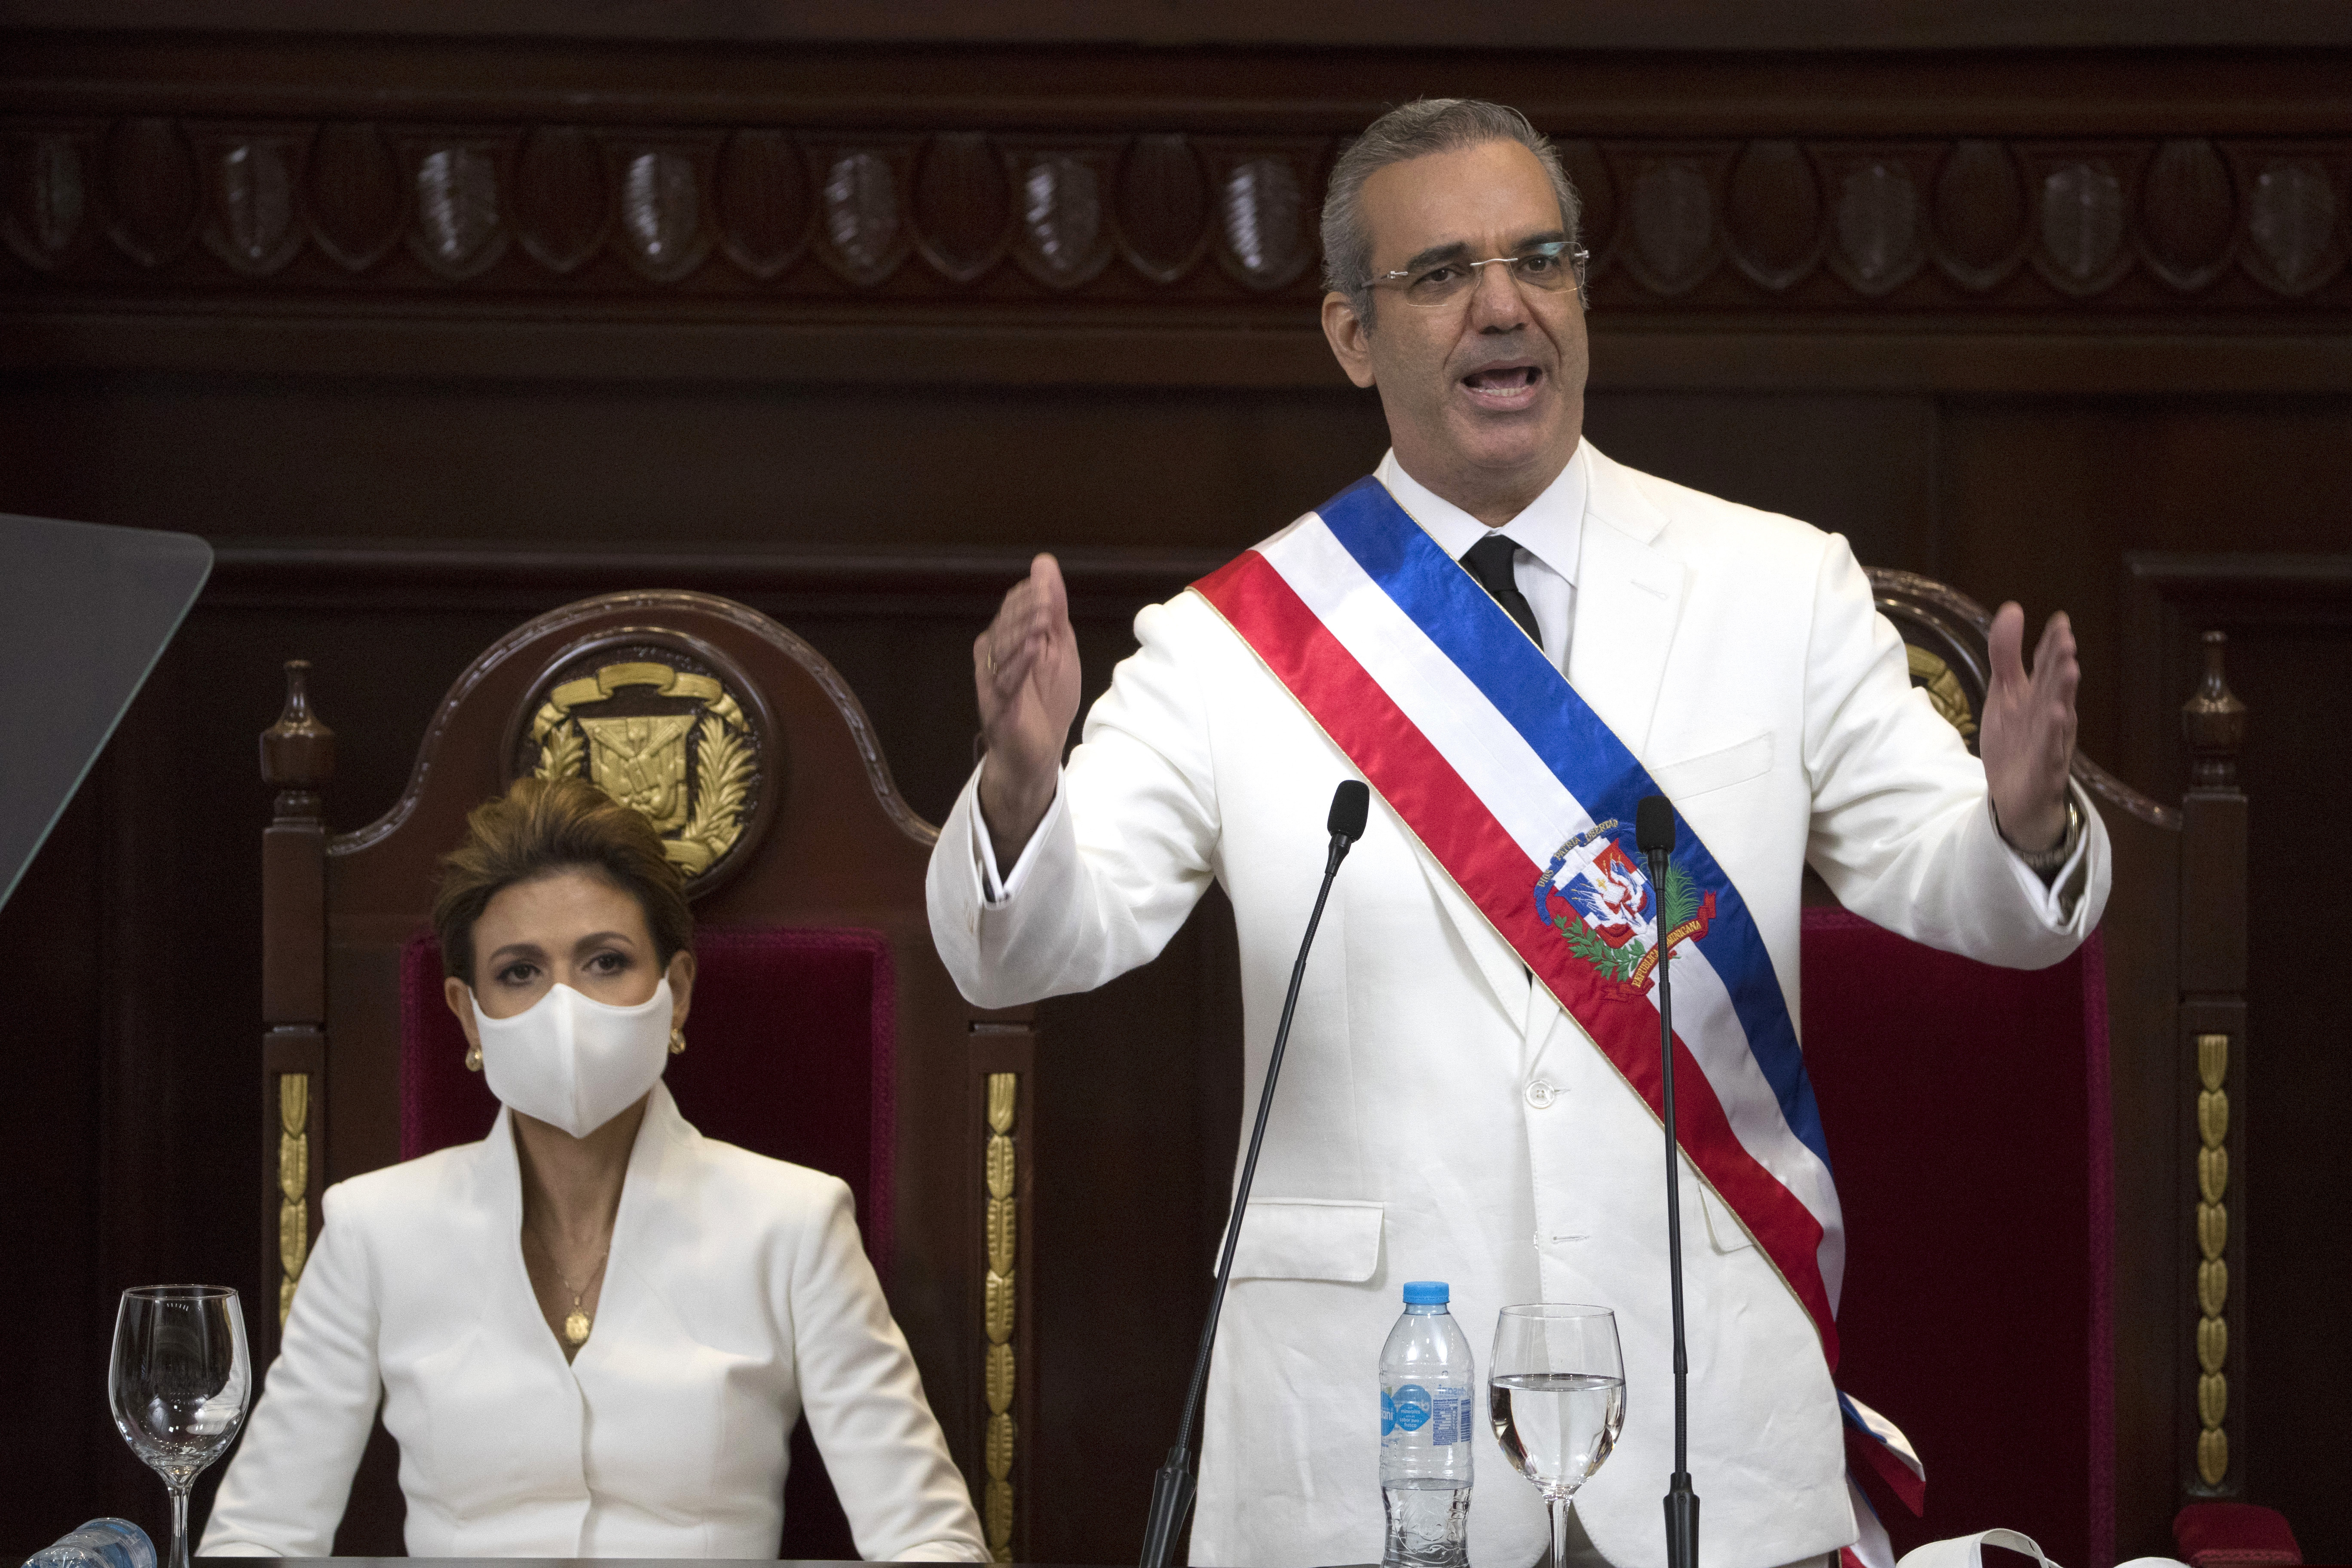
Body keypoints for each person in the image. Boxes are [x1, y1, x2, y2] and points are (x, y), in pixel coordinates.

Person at [927, 99, 2109, 1568]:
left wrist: (2023, 819)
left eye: (1539, 259)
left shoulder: (1776, 585)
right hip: (1364, 1426)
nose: (1504, 304)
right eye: (1442, 275)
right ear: (1353, 334)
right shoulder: (1235, 641)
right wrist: (1024, 795)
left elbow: (1969, 892)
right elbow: (1036, 938)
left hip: (1704, 1416)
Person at [205, 776, 987, 1561]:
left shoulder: (796, 1225)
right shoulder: (373, 1230)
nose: (565, 1006)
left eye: (605, 962)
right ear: (466, 1014)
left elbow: (928, 1541)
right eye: (519, 973)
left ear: (675, 993)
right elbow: (257, 1538)